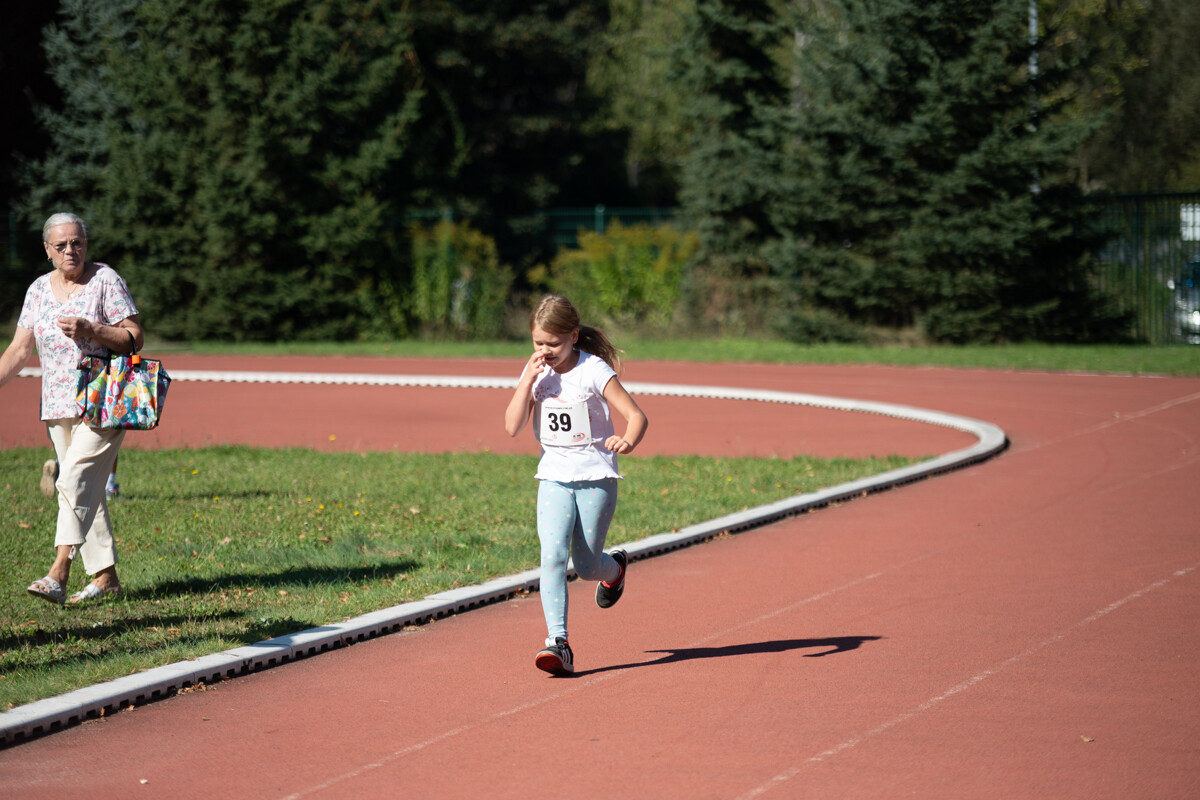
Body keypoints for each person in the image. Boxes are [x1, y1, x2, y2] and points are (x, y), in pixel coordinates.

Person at [0, 212, 143, 605]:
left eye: (76, 242)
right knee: (86, 491)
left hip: (102, 401)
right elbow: (18, 349)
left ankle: (58, 571)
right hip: (57, 405)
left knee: (73, 479)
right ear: (47, 250)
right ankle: (105, 577)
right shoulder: (38, 290)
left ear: (86, 244)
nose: (70, 250)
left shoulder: (105, 280)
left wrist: (92, 330)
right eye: (61, 245)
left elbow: (134, 337)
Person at [504, 294, 649, 675]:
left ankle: (614, 569)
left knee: (586, 567)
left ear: (572, 335)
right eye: (538, 343)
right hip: (553, 477)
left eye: (553, 343)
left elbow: (636, 416)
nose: (545, 351)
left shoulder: (593, 370)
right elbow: (511, 426)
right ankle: (558, 642)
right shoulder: (536, 371)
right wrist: (527, 382)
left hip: (595, 478)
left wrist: (628, 441)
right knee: (551, 556)